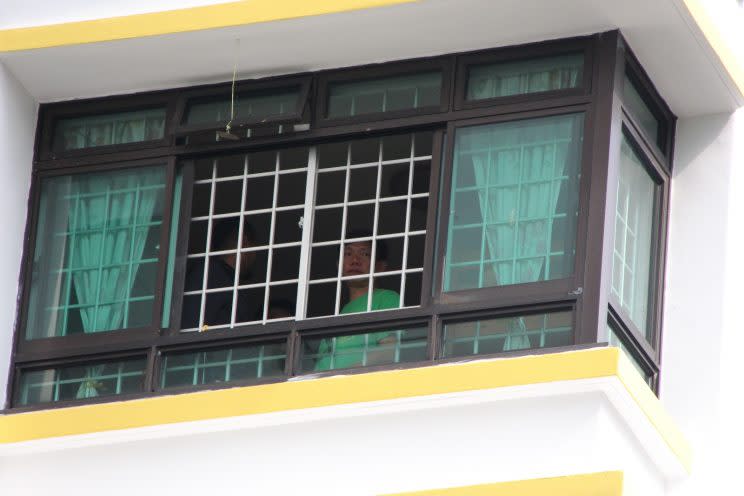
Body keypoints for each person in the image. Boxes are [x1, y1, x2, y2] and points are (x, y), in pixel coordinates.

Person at [314, 231, 400, 371]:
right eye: (348, 254)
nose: (355, 260)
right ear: (339, 265)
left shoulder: (386, 298)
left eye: (364, 254)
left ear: (380, 267)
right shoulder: (336, 316)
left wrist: (351, 374)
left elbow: (390, 349)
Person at [181, 221, 258, 329]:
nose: (255, 258)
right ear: (244, 243)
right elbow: (197, 325)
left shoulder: (214, 275)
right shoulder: (210, 274)